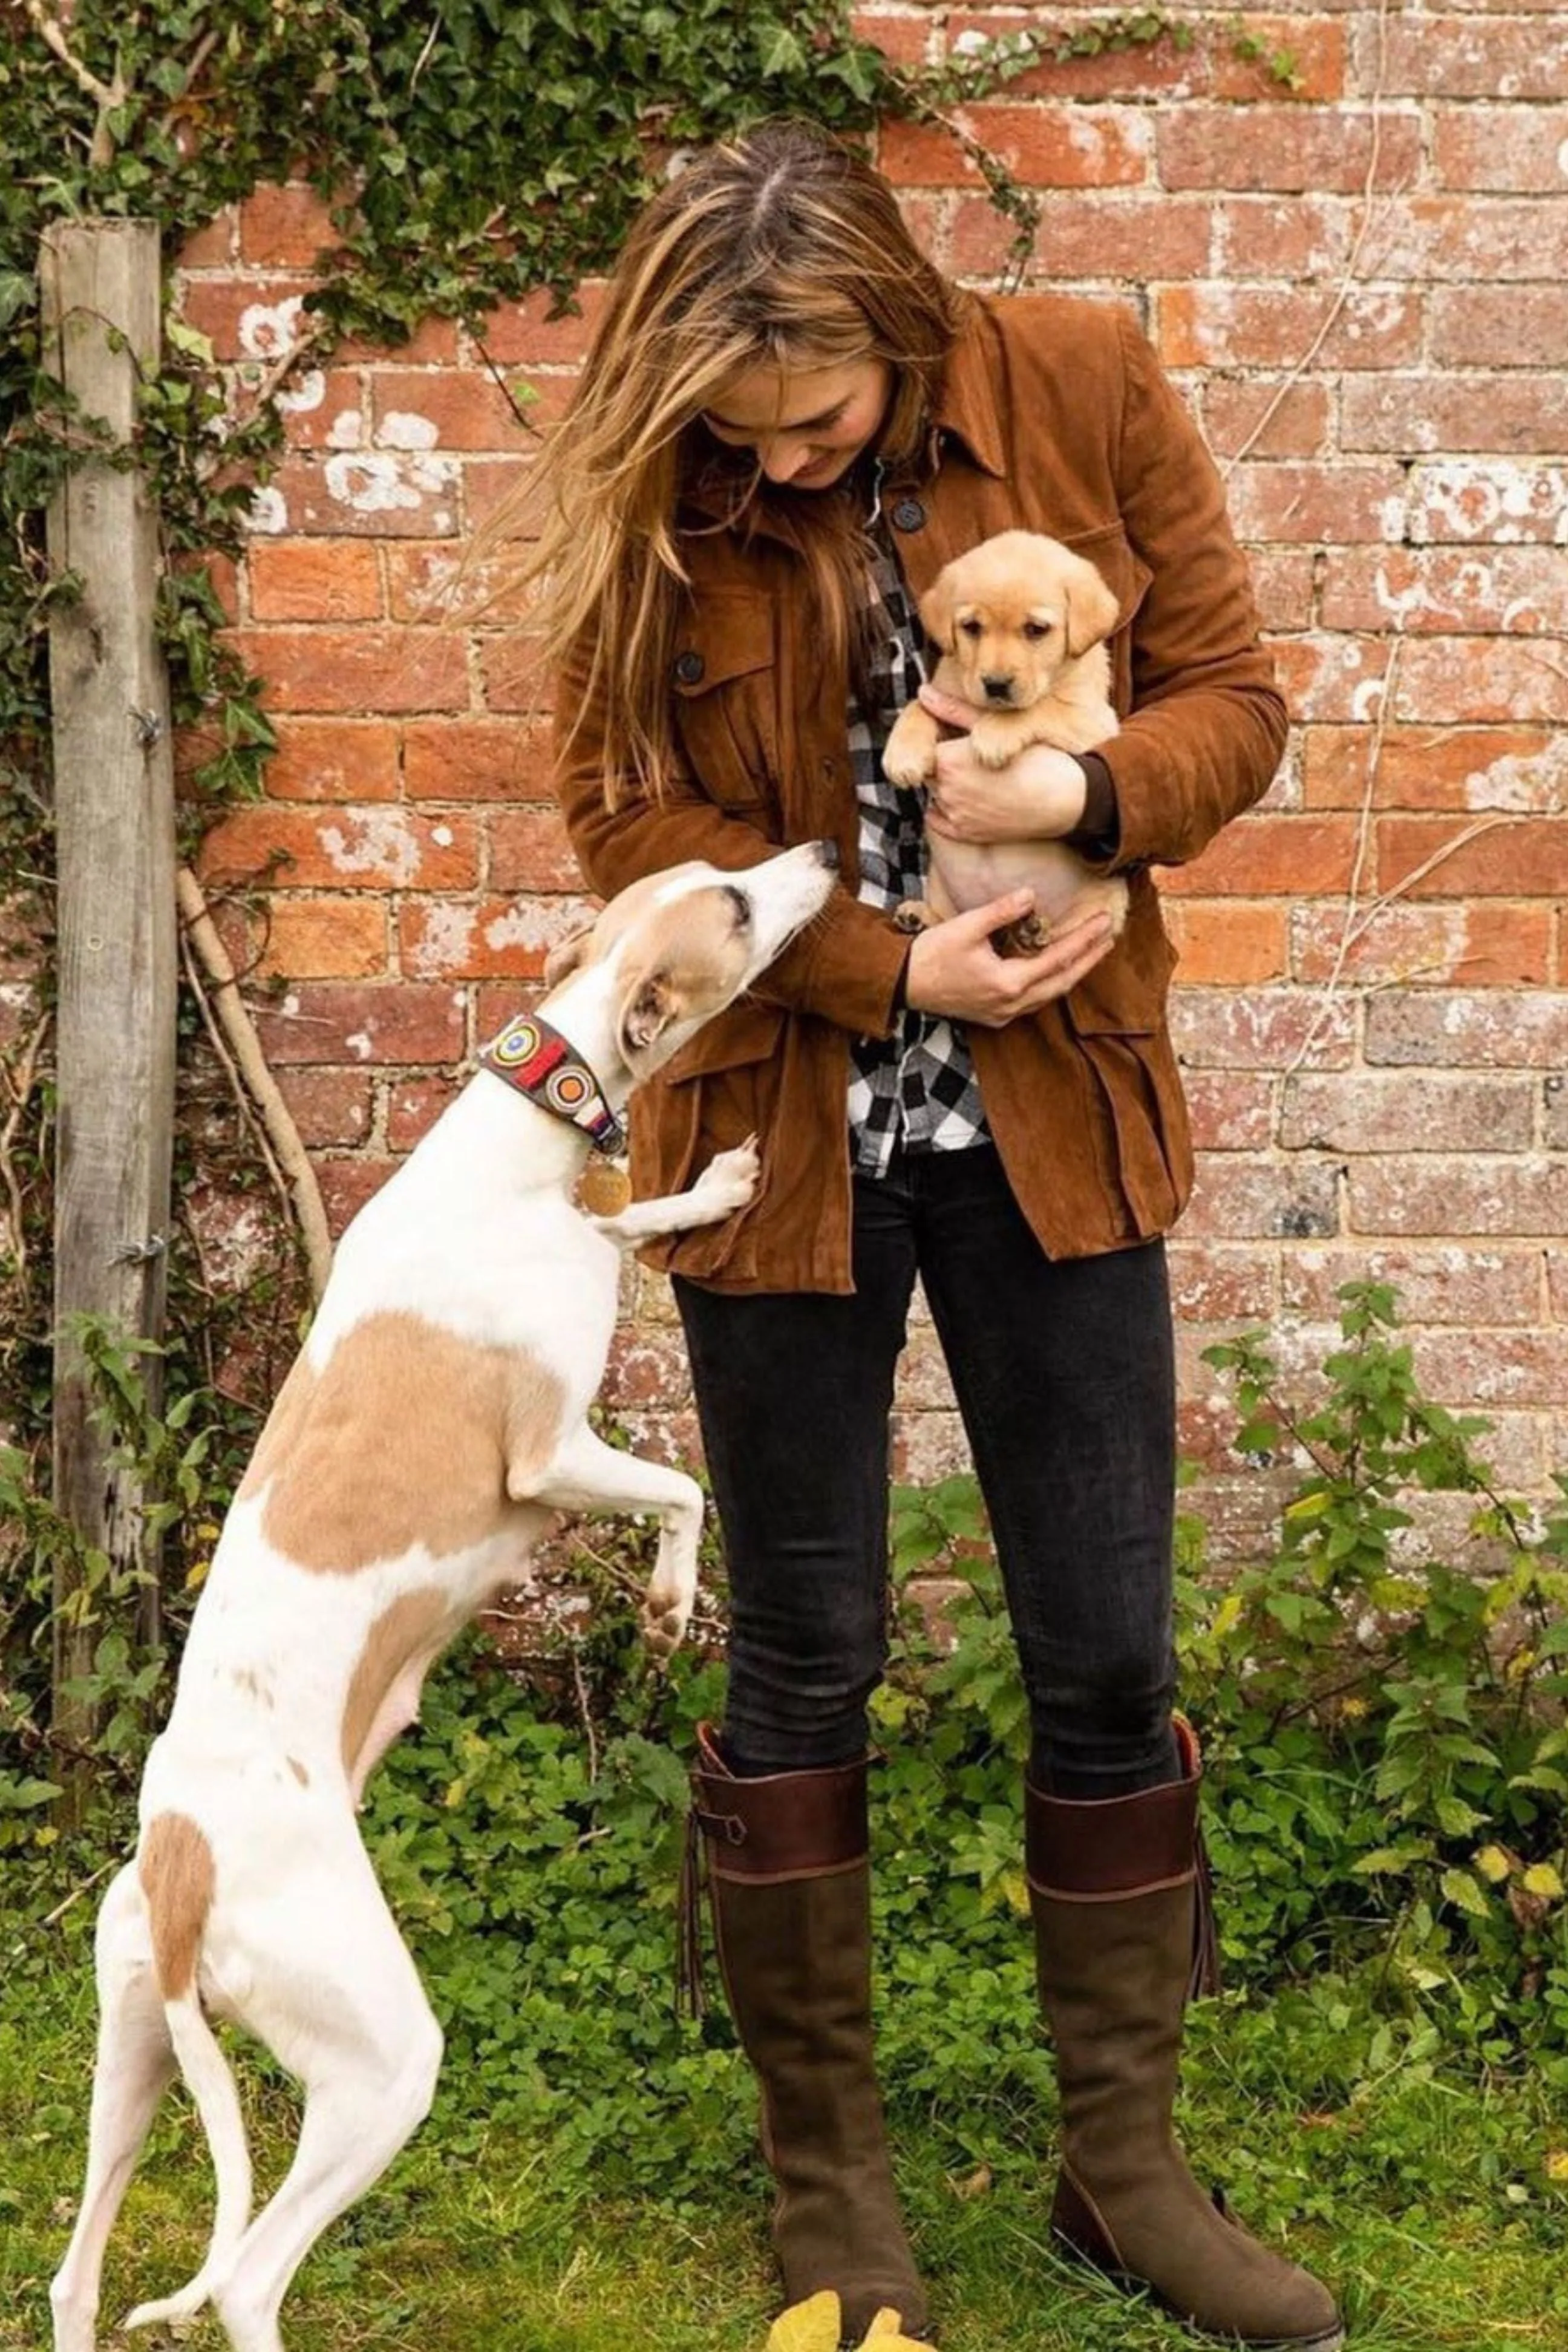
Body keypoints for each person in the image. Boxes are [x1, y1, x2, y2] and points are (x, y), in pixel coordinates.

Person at [521, 120, 1342, 2351]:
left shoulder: (1085, 378)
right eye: (739, 430)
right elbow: (631, 821)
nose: (781, 458)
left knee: (1104, 1651)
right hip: (787, 1134)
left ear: (897, 323)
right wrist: (895, 973)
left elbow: (1238, 708)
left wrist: (1081, 798)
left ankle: (1125, 2175)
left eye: (821, 415)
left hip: (1060, 1126)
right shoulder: (674, 511)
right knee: (806, 1655)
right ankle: (833, 2217)